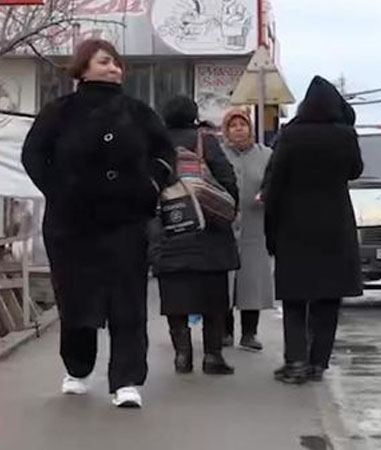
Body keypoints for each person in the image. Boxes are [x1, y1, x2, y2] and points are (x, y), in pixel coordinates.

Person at [21, 39, 175, 408]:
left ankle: (126, 380)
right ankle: (77, 368)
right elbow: (33, 155)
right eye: (105, 62)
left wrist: (150, 185)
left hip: (126, 222)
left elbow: (164, 153)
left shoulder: (139, 113)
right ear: (83, 66)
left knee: (127, 301)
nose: (114, 69)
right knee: (76, 299)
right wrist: (60, 190)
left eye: (117, 63)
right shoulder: (60, 112)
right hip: (71, 225)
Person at [264, 76, 363, 385]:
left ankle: (294, 363)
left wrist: (271, 230)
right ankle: (318, 363)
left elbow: (275, 183)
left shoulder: (291, 135)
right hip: (335, 229)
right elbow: (355, 170)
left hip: (294, 228)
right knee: (328, 300)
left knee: (295, 299)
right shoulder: (345, 136)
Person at [150, 96, 240, 376]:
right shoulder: (206, 140)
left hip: (169, 228)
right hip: (208, 231)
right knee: (213, 297)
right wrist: (224, 206)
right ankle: (213, 356)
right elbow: (227, 178)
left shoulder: (154, 143)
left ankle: (182, 355)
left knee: (174, 294)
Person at [220, 108, 275, 351]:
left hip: (256, 224)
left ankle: (249, 333)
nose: (239, 129)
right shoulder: (218, 154)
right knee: (225, 281)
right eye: (233, 125)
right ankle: (225, 332)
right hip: (224, 225)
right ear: (227, 131)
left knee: (252, 281)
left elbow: (275, 180)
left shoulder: (266, 154)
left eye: (243, 125)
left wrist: (267, 194)